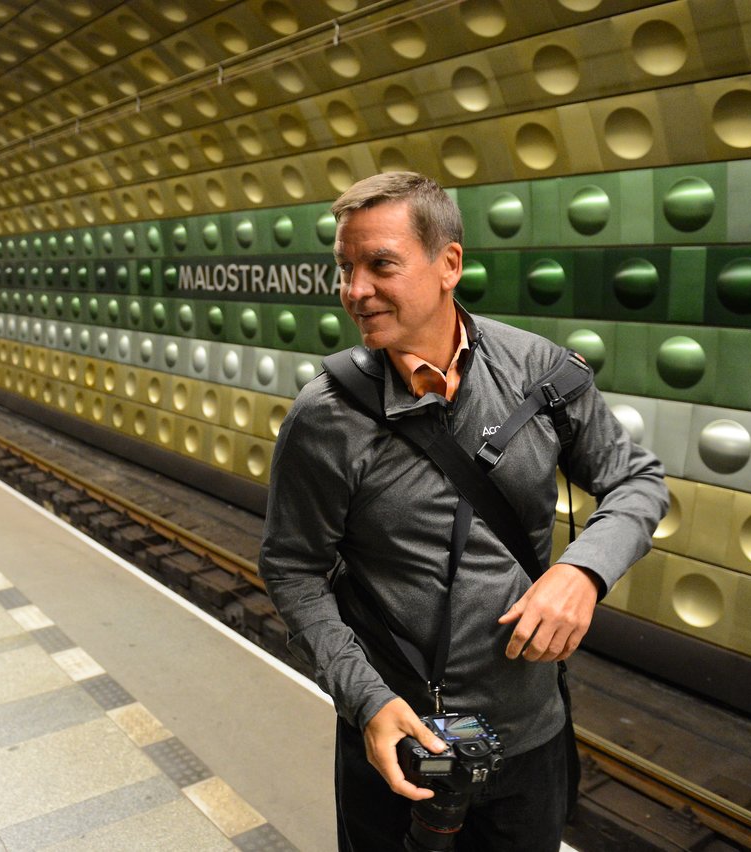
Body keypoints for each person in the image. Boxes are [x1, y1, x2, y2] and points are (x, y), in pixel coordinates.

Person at [259, 173, 668, 851]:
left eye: (380, 265)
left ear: (448, 264)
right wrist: (366, 700)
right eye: (346, 269)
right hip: (399, 742)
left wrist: (584, 573)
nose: (354, 291)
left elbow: (636, 480)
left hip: (530, 732)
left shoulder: (538, 372)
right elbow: (293, 568)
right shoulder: (326, 416)